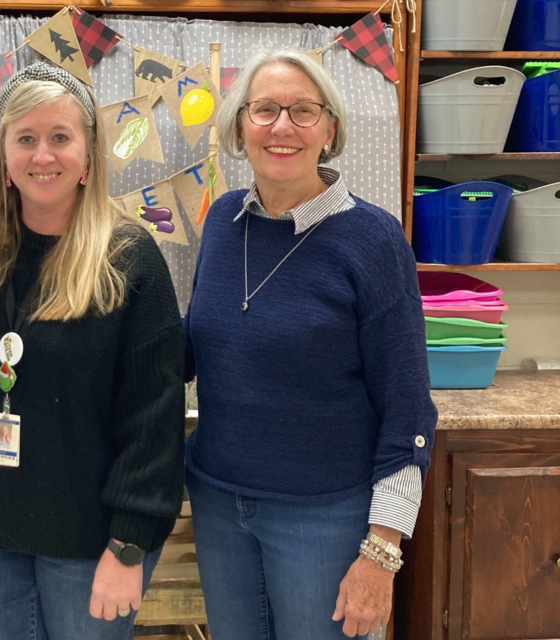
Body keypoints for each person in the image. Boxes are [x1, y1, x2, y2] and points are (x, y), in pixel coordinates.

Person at [183, 49, 438, 639]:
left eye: (303, 111)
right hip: (220, 503)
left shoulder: (372, 240)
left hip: (325, 517)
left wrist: (381, 553)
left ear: (330, 129)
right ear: (240, 126)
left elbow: (408, 407)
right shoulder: (224, 220)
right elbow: (195, 348)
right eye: (265, 109)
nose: (282, 127)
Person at [0, 62, 185, 640]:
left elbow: (154, 417)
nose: (43, 155)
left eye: (60, 138)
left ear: (89, 155)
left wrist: (129, 546)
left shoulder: (129, 259)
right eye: (25, 138)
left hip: (89, 545)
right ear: (3, 157)